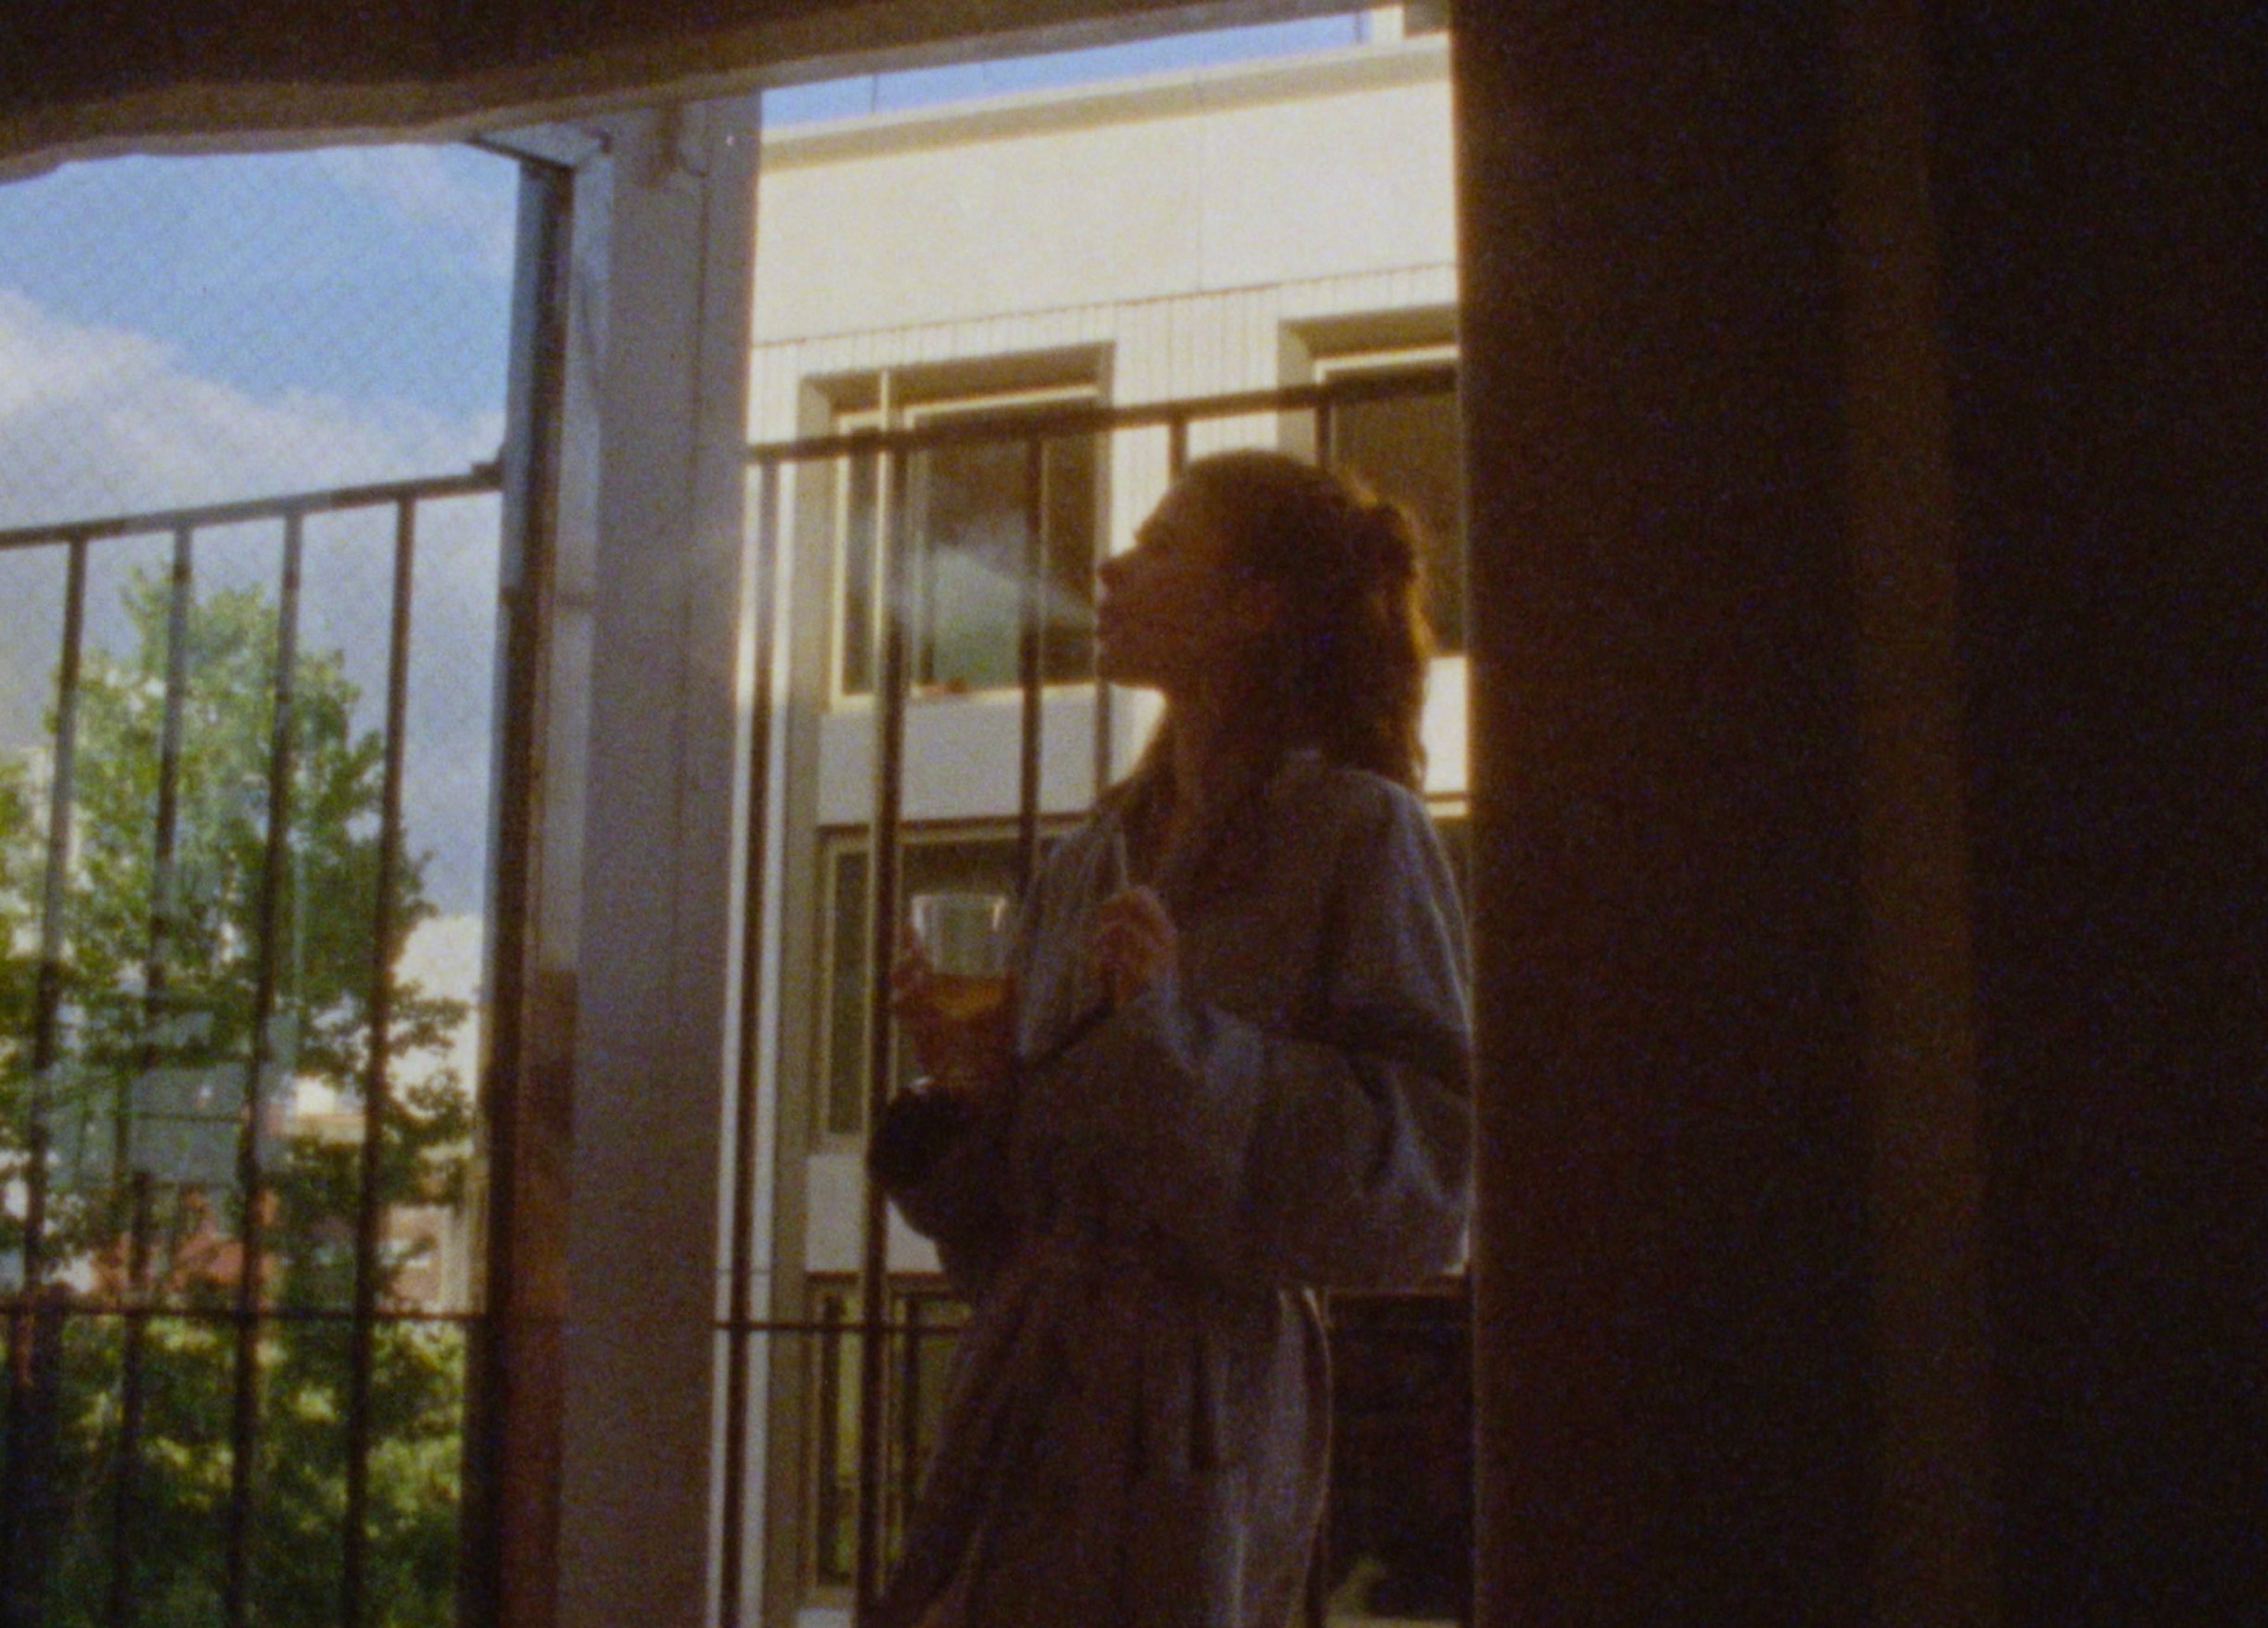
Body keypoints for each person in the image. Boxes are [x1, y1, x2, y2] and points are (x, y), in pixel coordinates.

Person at [869, 448, 1473, 1628]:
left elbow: (1428, 1186)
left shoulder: (1360, 833)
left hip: (1206, 1408)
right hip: (1030, 1395)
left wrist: (1179, 1041)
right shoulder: (1089, 857)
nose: (1108, 566)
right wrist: (982, 1086)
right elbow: (1013, 1222)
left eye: (1157, 545)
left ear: (1257, 607)